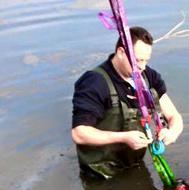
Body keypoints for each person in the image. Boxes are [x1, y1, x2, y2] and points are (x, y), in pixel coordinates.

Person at [71, 26, 183, 179]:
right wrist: (124, 137)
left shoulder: (148, 76)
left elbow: (174, 116)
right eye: (138, 60)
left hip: (135, 164)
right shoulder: (95, 83)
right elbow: (79, 133)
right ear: (121, 52)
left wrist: (172, 132)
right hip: (101, 174)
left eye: (146, 60)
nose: (142, 66)